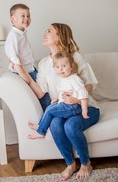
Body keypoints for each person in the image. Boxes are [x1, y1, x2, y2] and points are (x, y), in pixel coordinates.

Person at [28, 23, 100, 181]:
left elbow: (90, 84)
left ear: (59, 36)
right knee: (55, 125)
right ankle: (70, 164)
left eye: (49, 31)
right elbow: (41, 91)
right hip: (63, 108)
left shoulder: (75, 57)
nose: (44, 33)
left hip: (86, 106)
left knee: (71, 125)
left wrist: (76, 99)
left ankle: (85, 163)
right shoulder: (44, 64)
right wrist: (21, 72)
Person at [28, 50, 89, 140]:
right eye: (57, 67)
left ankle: (41, 131)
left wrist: (84, 110)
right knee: (50, 107)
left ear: (71, 66)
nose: (60, 69)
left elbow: (83, 94)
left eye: (64, 66)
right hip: (66, 104)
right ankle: (41, 126)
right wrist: (57, 99)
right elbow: (64, 92)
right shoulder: (63, 79)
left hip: (73, 107)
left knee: (49, 110)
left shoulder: (74, 79)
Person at [4, 3, 37, 83]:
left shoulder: (22, 33)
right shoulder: (13, 35)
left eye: (28, 16)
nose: (26, 18)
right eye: (23, 16)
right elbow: (12, 56)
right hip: (23, 72)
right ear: (13, 18)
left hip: (30, 69)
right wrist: (22, 73)